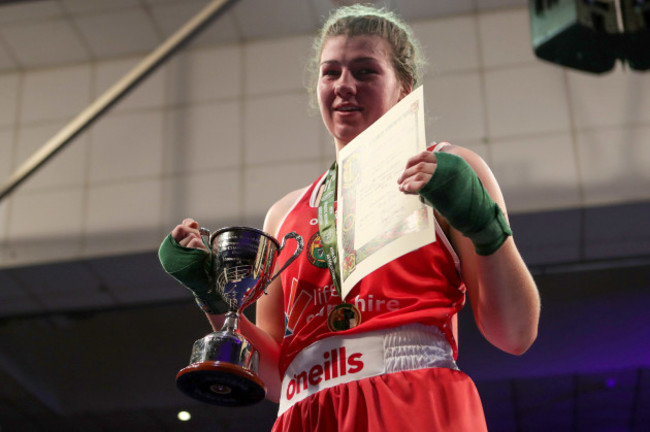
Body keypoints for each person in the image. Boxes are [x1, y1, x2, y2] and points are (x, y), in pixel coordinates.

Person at [159, 4, 541, 431]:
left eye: (365, 71)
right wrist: (211, 295)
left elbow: (515, 334)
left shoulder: (444, 170)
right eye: (331, 72)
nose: (344, 85)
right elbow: (276, 377)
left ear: (404, 87)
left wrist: (485, 226)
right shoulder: (285, 213)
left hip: (410, 398)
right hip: (305, 413)